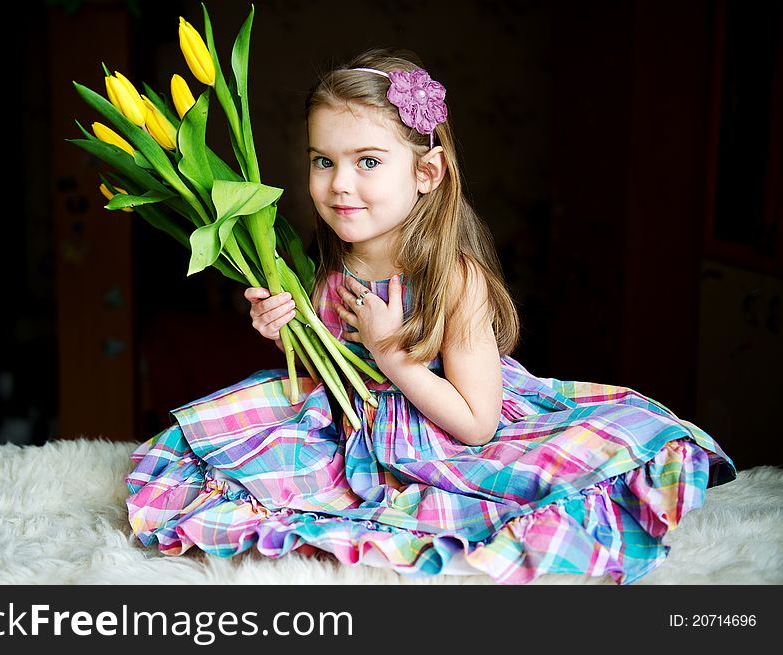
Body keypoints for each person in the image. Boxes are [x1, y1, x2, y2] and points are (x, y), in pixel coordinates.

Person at [125, 49, 735, 584]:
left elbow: (476, 425)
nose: (340, 185)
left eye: (368, 161)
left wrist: (392, 354)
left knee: (524, 490)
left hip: (440, 426)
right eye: (322, 160)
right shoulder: (320, 264)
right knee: (208, 449)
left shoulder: (453, 279)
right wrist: (285, 327)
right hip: (347, 426)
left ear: (426, 171)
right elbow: (329, 364)